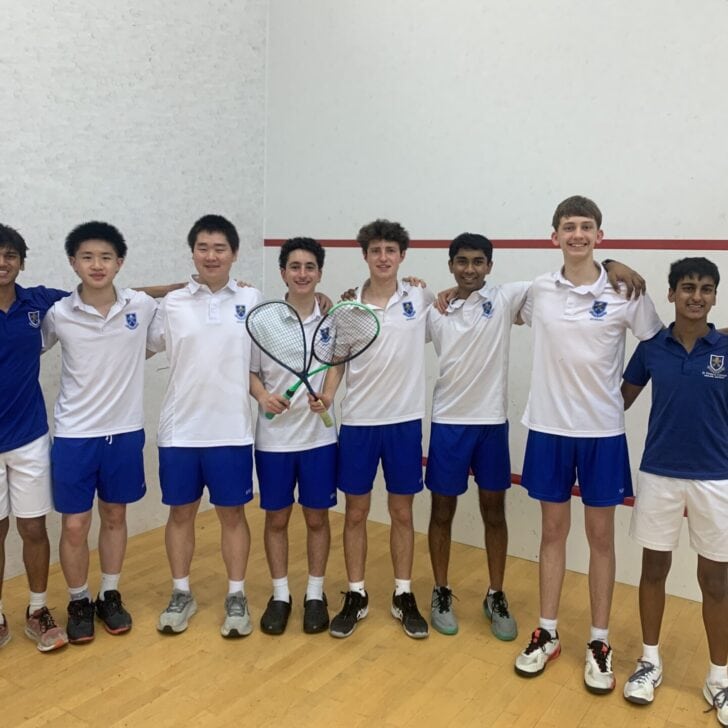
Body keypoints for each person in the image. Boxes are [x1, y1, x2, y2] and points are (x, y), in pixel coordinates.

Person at [513, 196, 662, 693]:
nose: (577, 234)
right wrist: (445, 291)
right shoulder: (537, 290)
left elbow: (656, 346)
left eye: (586, 227)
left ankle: (599, 641)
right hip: (548, 430)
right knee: (552, 533)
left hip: (602, 434)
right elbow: (482, 297)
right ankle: (548, 633)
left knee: (601, 539)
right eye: (568, 226)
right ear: (553, 235)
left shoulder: (625, 290)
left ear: (600, 234)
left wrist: (623, 396)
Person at [314, 219, 434, 640]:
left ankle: (403, 593)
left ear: (402, 256)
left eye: (391, 251)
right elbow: (337, 362)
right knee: (356, 513)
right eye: (376, 251)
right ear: (365, 256)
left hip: (404, 423)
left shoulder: (419, 297)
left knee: (402, 512)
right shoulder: (347, 308)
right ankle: (356, 593)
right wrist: (328, 396)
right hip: (359, 424)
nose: (383, 258)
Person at [621, 257, 728, 725]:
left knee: (717, 582)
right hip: (659, 474)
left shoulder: (726, 348)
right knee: (653, 570)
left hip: (716, 478)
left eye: (705, 289)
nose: (696, 296)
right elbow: (617, 402)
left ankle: (719, 678)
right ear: (671, 294)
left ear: (715, 297)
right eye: (687, 287)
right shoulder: (651, 348)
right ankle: (649, 661)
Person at [42, 221, 157, 644]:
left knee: (115, 515)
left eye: (106, 257)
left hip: (124, 433)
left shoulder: (140, 306)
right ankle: (78, 600)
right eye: (87, 257)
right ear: (73, 262)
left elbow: (166, 314)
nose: (96, 265)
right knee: (75, 525)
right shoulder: (58, 313)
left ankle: (109, 594)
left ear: (119, 263)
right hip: (74, 435)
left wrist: (189, 283)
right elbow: (23, 344)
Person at [149, 214, 262, 638]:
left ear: (234, 253)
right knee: (180, 514)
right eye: (203, 248)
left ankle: (236, 595)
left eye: (220, 248)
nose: (211, 256)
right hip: (179, 431)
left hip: (231, 430)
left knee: (233, 515)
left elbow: (264, 353)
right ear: (192, 253)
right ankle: (181, 592)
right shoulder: (172, 304)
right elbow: (129, 319)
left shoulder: (252, 298)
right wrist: (164, 288)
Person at [426, 233, 527, 639]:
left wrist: (612, 267)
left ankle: (495, 594)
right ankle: (440, 591)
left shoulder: (505, 299)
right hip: (448, 423)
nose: (470, 269)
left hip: (491, 425)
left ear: (490, 266)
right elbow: (389, 317)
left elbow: (564, 281)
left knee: (494, 513)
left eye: (478, 262)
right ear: (451, 265)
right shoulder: (435, 310)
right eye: (462, 261)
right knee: (441, 512)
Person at [250, 237, 337, 635]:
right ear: (283, 272)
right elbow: (250, 371)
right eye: (295, 267)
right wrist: (262, 395)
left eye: (310, 267)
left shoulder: (331, 319)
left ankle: (315, 594)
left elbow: (335, 364)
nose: (303, 274)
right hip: (274, 441)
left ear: (320, 273)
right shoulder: (263, 319)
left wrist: (328, 396)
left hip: (319, 441)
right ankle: (281, 595)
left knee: (317, 518)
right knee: (277, 519)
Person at [0, 223, 69, 652]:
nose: (2, 262)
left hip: (28, 438)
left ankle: (38, 610)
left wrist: (176, 288)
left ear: (21, 263)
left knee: (33, 528)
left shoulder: (37, 301)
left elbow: (102, 295)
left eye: (10, 255)